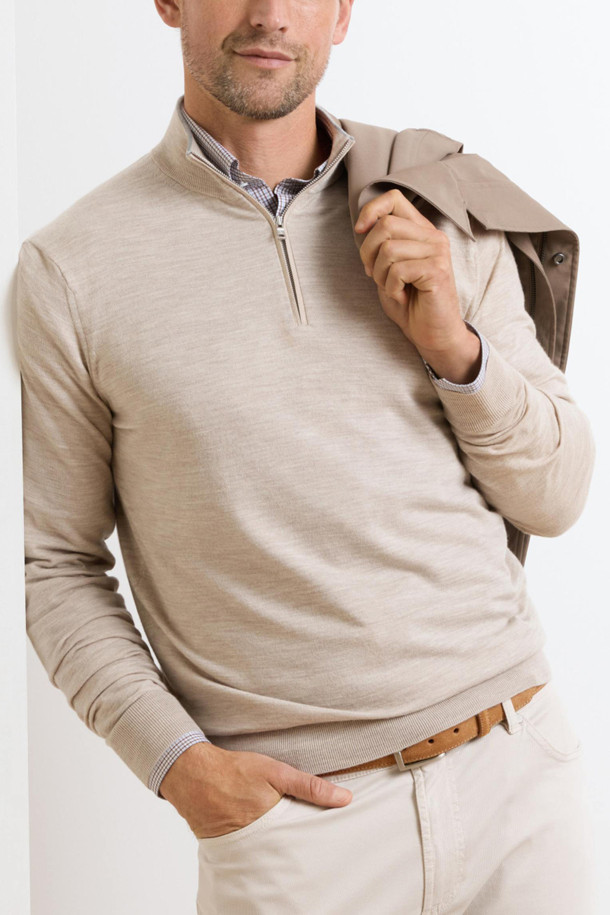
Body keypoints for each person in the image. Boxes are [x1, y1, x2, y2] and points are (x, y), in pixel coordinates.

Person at [16, 1, 596, 912]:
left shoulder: (432, 199)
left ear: (343, 12)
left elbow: (557, 496)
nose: (271, 15)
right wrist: (179, 764)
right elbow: (55, 566)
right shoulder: (70, 271)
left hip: (518, 784)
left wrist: (456, 348)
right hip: (300, 833)